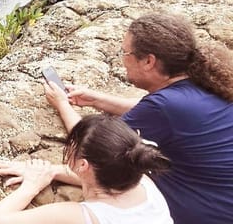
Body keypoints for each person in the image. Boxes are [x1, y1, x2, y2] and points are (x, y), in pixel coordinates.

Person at [43, 13, 233, 223]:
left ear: (149, 61)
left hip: (205, 213)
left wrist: (61, 103)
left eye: (125, 52)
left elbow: (95, 144)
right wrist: (97, 100)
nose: (123, 59)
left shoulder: (163, 106)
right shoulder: (200, 84)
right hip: (221, 200)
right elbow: (159, 113)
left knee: (119, 173)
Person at [0, 115, 173, 224]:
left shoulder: (85, 216)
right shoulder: (140, 179)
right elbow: (96, 175)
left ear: (83, 165)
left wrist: (31, 186)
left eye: (72, 144)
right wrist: (52, 172)